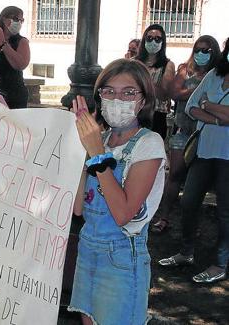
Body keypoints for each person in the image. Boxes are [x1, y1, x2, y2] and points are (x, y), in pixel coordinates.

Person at [68, 59, 166, 324]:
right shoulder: (100, 140)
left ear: (143, 100)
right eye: (109, 91)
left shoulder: (149, 144)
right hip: (88, 249)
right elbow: (78, 208)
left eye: (128, 92)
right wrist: (81, 151)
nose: (117, 98)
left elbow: (123, 213)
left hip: (121, 256)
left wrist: (97, 156)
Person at [158, 37, 229, 284]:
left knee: (225, 213)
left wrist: (207, 105)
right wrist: (218, 117)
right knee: (188, 203)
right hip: (204, 152)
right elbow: (189, 106)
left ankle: (220, 263)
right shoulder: (213, 76)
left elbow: (202, 104)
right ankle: (186, 252)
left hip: (227, 158)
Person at [151, 35, 221, 233]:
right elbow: (174, 93)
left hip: (207, 135)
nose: (201, 54)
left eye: (206, 50)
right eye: (198, 49)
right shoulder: (185, 69)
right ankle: (164, 217)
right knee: (174, 175)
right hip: (183, 131)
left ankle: (191, 224)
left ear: (214, 52)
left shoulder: (218, 74)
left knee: (200, 181)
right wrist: (199, 93)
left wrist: (191, 93)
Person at [135, 24, 175, 140]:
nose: (153, 42)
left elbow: (164, 95)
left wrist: (144, 76)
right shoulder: (134, 62)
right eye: (150, 38)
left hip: (156, 115)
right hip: (134, 112)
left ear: (163, 42)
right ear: (144, 40)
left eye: (157, 39)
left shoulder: (168, 65)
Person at [0, 6, 30, 109]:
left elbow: (20, 64)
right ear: (3, 18)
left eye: (21, 20)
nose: (18, 23)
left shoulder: (22, 41)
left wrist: (3, 44)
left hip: (14, 95)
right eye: (15, 19)